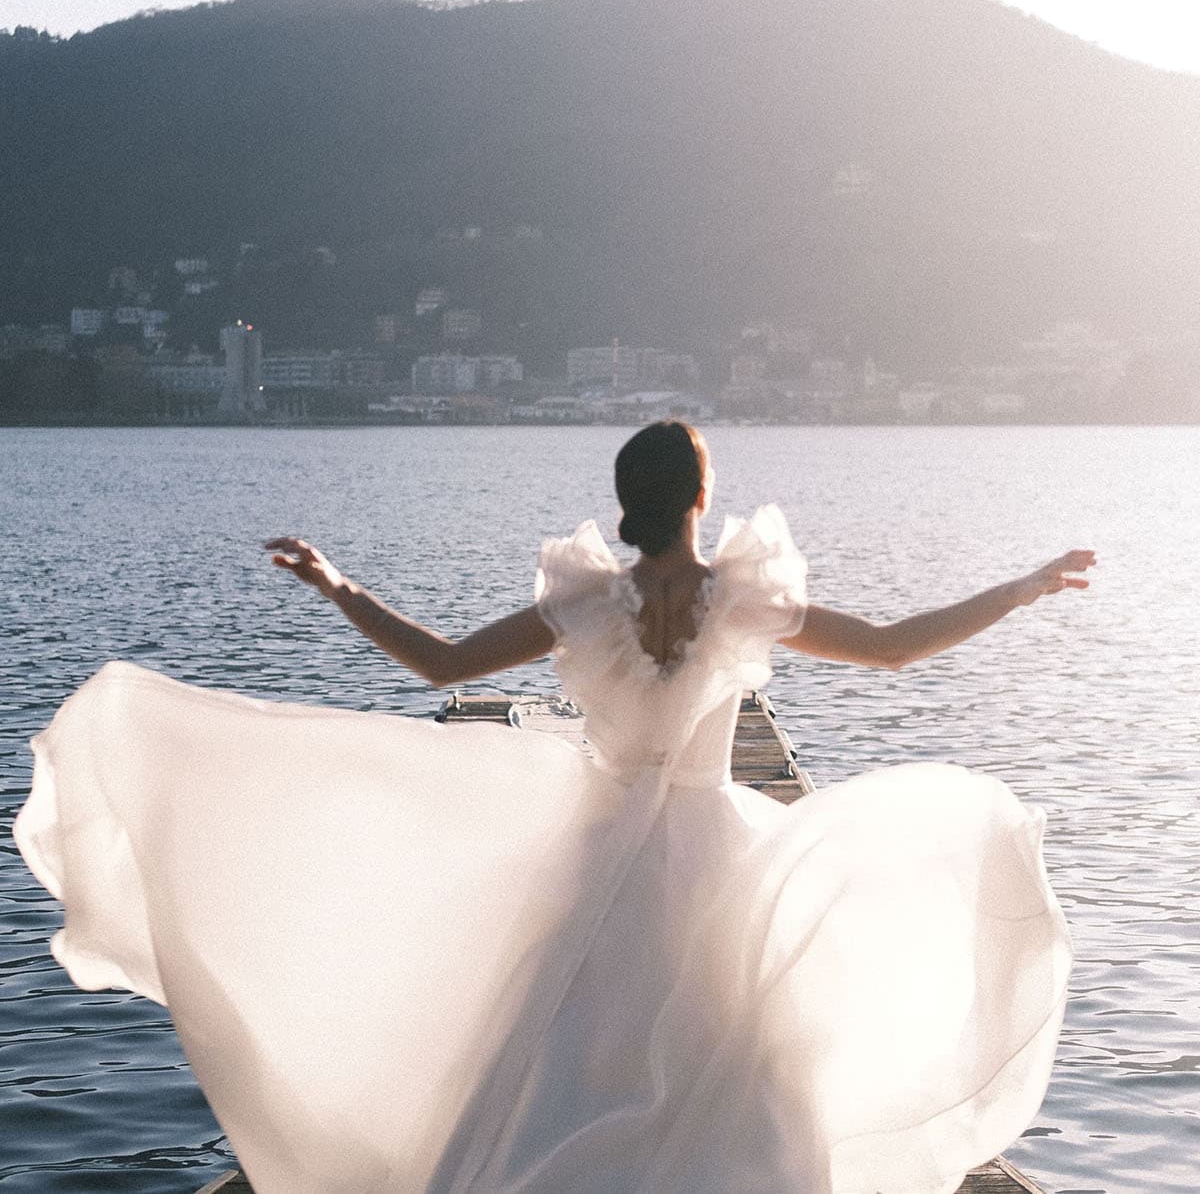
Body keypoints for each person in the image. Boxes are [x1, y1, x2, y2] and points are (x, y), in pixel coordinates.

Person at [15, 420, 1091, 1194]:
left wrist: (337, 585)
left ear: (631, 498)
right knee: (731, 1041)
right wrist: (1025, 586)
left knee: (563, 1040)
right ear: (699, 501)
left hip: (595, 843)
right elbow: (899, 648)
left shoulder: (583, 601)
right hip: (710, 843)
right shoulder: (744, 595)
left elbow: (437, 665)